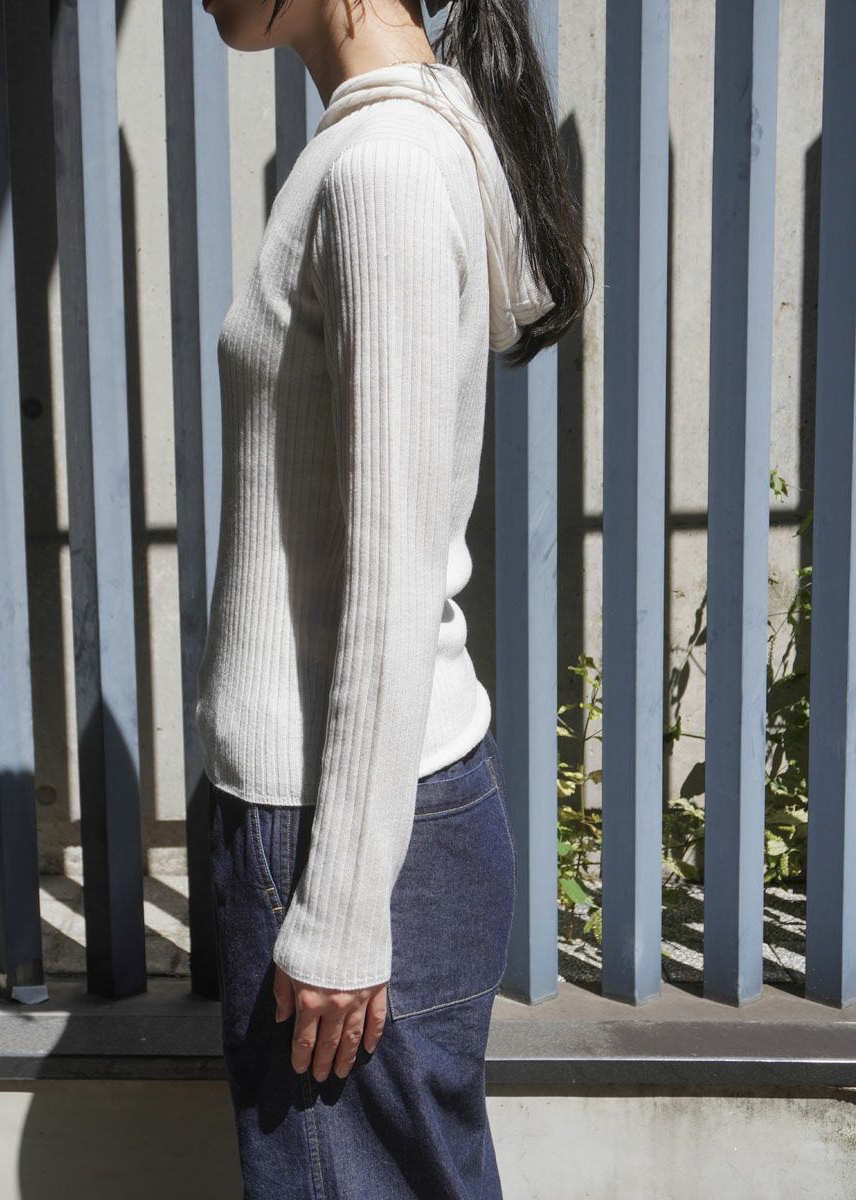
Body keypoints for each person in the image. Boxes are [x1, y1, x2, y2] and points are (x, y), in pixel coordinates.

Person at [196, 0, 590, 1195]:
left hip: (341, 824)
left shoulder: (383, 171)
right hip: (359, 818)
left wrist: (337, 914)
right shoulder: (395, 145)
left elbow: (392, 574)